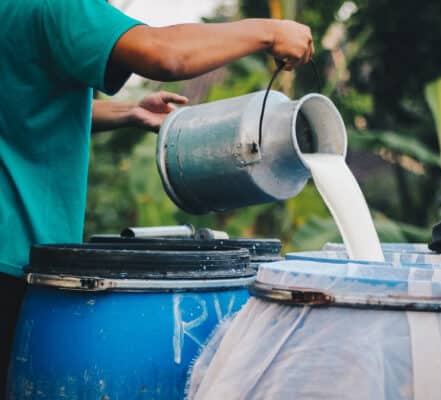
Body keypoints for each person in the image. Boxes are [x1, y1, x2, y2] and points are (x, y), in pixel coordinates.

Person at [0, 0, 314, 391]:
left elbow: (26, 101)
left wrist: (129, 112)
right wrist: (270, 32)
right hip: (14, 261)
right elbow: (164, 54)